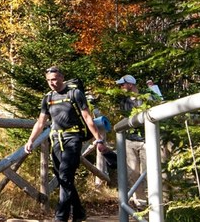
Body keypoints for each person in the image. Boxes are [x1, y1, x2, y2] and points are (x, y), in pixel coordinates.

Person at [25, 66, 108, 222]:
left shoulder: (75, 94)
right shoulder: (48, 98)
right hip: (56, 139)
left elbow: (87, 118)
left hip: (73, 138)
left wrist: (98, 139)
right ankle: (79, 212)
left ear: (62, 78)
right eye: (49, 80)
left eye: (55, 79)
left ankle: (60, 217)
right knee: (63, 178)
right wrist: (30, 140)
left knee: (65, 175)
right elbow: (41, 122)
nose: (52, 83)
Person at [115, 74, 148, 207]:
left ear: (130, 84)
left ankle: (155, 202)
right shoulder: (123, 101)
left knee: (149, 172)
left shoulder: (146, 98)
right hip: (129, 140)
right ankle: (140, 203)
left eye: (123, 84)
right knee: (133, 172)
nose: (121, 87)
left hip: (146, 139)